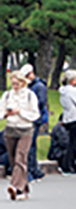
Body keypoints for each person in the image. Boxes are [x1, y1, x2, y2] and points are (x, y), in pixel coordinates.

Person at [1, 70, 40, 200]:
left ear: (23, 82)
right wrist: (6, 114)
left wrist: (20, 112)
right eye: (13, 84)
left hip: (26, 129)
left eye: (17, 83)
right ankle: (23, 189)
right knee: (13, 161)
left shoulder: (30, 95)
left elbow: (35, 115)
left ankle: (14, 185)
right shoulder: (7, 95)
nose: (15, 86)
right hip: (11, 129)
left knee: (20, 158)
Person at [19, 64, 47, 182]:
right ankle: (35, 170)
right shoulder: (30, 86)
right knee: (31, 145)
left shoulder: (39, 86)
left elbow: (41, 102)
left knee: (30, 145)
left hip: (34, 118)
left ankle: (31, 170)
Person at [58, 70, 76, 174]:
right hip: (74, 117)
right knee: (73, 143)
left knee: (72, 141)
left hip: (67, 117)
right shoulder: (73, 91)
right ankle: (69, 164)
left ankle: (69, 163)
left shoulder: (63, 91)